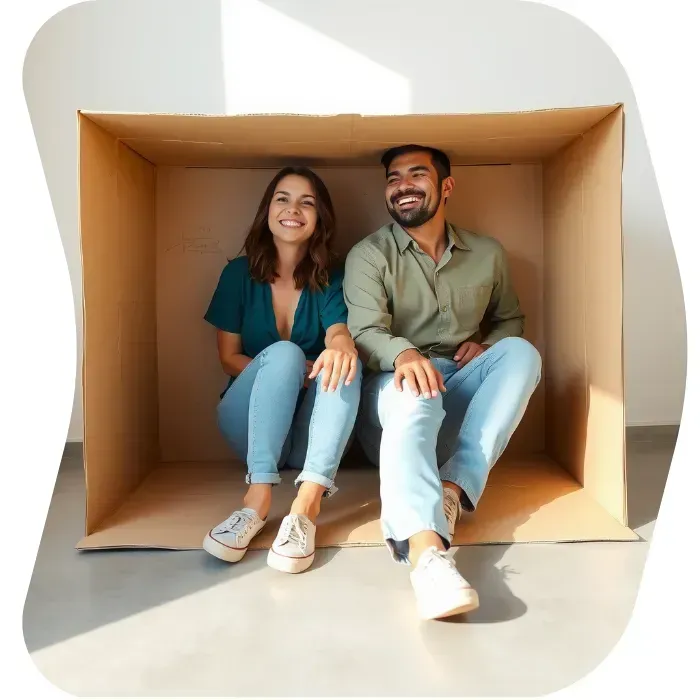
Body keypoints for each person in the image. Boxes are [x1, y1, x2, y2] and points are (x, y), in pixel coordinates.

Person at [343, 144, 542, 619]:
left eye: (417, 175)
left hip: (459, 393)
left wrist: (489, 345)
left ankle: (452, 488)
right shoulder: (369, 255)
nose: (403, 186)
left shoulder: (488, 253)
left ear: (446, 186)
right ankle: (428, 556)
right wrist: (406, 353)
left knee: (521, 353)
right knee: (415, 395)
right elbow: (365, 332)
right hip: (394, 397)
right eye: (393, 178)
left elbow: (509, 320)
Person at [203, 166, 362, 574]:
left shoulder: (332, 275)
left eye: (307, 202)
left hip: (310, 438)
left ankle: (304, 512)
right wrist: (286, 367)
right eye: (283, 198)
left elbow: (338, 330)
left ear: (319, 217)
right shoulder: (237, 274)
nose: (294, 209)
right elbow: (228, 358)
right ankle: (255, 503)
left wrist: (341, 343)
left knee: (348, 362)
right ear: (267, 210)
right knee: (287, 354)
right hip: (251, 426)